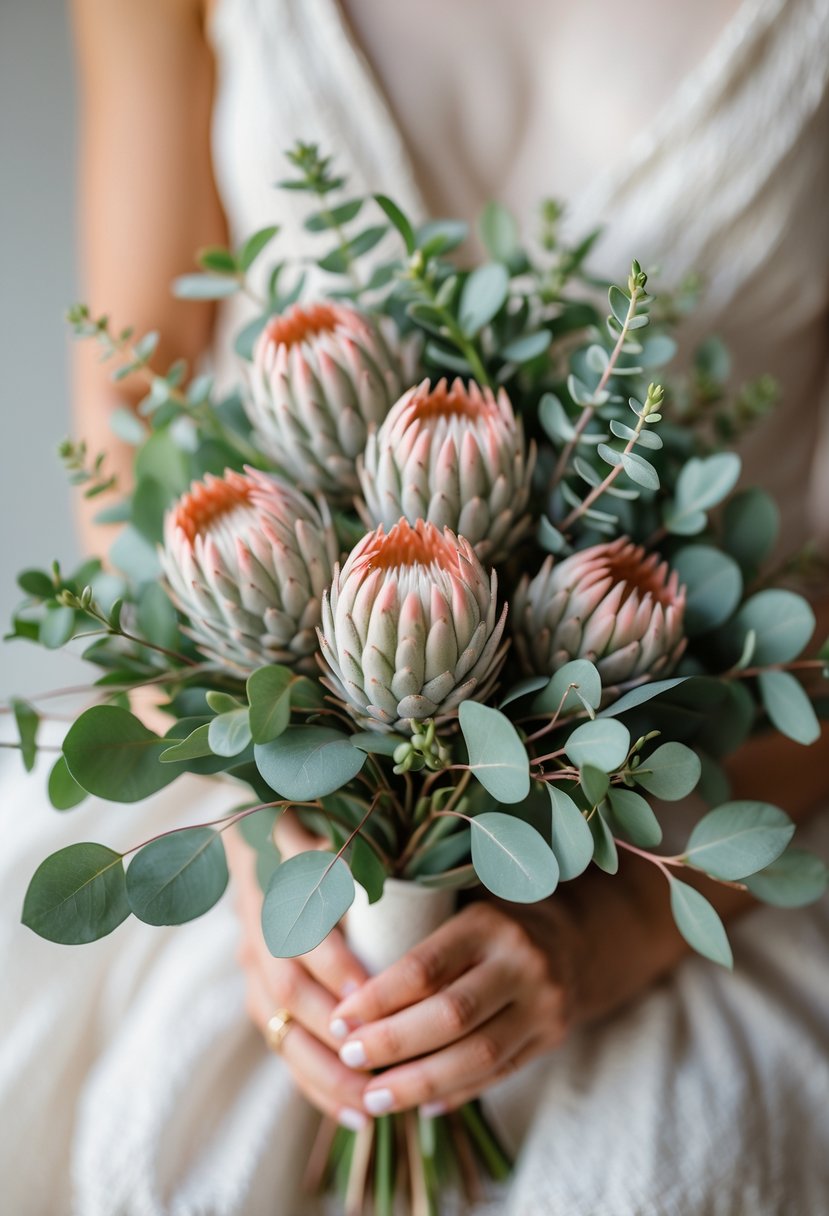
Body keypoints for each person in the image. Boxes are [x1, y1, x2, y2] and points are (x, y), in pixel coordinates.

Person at [2, 0, 828, 1212]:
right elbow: (140, 389)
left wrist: (623, 926)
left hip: (712, 795)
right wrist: (262, 802)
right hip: (259, 769)